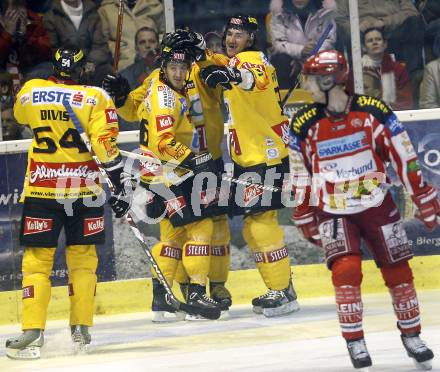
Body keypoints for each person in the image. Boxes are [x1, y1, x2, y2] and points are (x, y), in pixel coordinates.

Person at [289, 49, 437, 370]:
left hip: (376, 203)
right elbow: (300, 174)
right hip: (332, 210)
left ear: (330, 79)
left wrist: (422, 196)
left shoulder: (374, 112)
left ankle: (412, 336)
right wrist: (303, 213)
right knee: (346, 271)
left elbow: (404, 157)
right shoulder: (302, 123)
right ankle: (355, 342)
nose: (307, 86)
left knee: (398, 270)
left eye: (312, 80)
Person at [5, 46, 132, 359]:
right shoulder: (96, 98)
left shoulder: (34, 91)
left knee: (36, 264)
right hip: (84, 191)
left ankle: (33, 332)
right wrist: (120, 188)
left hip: (43, 188)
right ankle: (81, 330)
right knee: (84, 262)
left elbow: (19, 114)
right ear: (82, 69)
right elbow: (107, 150)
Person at [174, 15, 300, 317]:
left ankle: (282, 291)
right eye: (230, 33)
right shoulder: (232, 60)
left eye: (239, 34)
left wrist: (231, 78)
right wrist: (200, 48)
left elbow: (251, 79)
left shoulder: (252, 60)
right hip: (252, 158)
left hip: (265, 156)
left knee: (261, 223)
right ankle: (283, 287)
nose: (232, 39)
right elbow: (214, 61)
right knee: (254, 224)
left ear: (251, 39)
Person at [102, 37, 222, 321]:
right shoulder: (165, 98)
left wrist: (121, 97)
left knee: (173, 236)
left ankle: (162, 297)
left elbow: (132, 110)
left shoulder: (156, 80)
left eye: (183, 66)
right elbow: (163, 142)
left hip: (158, 175)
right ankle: (196, 292)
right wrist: (194, 159)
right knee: (200, 226)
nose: (179, 73)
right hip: (169, 174)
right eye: (173, 67)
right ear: (164, 66)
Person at [335, 0, 424, 80]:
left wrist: (385, 22)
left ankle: (413, 76)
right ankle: (357, 79)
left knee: (414, 22)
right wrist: (357, 25)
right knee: (346, 34)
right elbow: (339, 19)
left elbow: (411, 12)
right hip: (362, 33)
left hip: (393, 31)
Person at [44, 0, 113, 86]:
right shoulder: (51, 16)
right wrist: (67, 64)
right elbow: (52, 47)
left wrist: (90, 64)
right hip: (62, 60)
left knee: (107, 72)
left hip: (89, 62)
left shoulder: (93, 12)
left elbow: (100, 45)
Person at [269, 0, 336, 89]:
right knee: (280, 61)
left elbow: (329, 39)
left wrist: (314, 50)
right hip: (291, 60)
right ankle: (285, 99)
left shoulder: (325, 11)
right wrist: (301, 50)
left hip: (317, 58)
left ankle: (322, 99)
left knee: (329, 59)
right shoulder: (279, 13)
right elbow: (278, 43)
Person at [347, 27, 413, 110]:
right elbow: (350, 102)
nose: (374, 42)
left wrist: (378, 95)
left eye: (378, 39)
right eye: (370, 41)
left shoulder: (399, 69)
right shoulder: (356, 72)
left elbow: (406, 102)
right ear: (363, 47)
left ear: (385, 44)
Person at [0, 0, 52, 90]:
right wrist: (7, 33)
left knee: (48, 68)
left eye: (19, 7)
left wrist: (25, 35)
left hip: (27, 70)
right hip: (3, 71)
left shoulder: (35, 21)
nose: (16, 15)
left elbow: (46, 52)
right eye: (11, 13)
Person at [98, 0, 162, 71]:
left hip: (153, 66)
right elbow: (102, 41)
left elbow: (164, 35)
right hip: (124, 64)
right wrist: (116, 50)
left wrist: (156, 47)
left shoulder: (154, 6)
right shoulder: (106, 9)